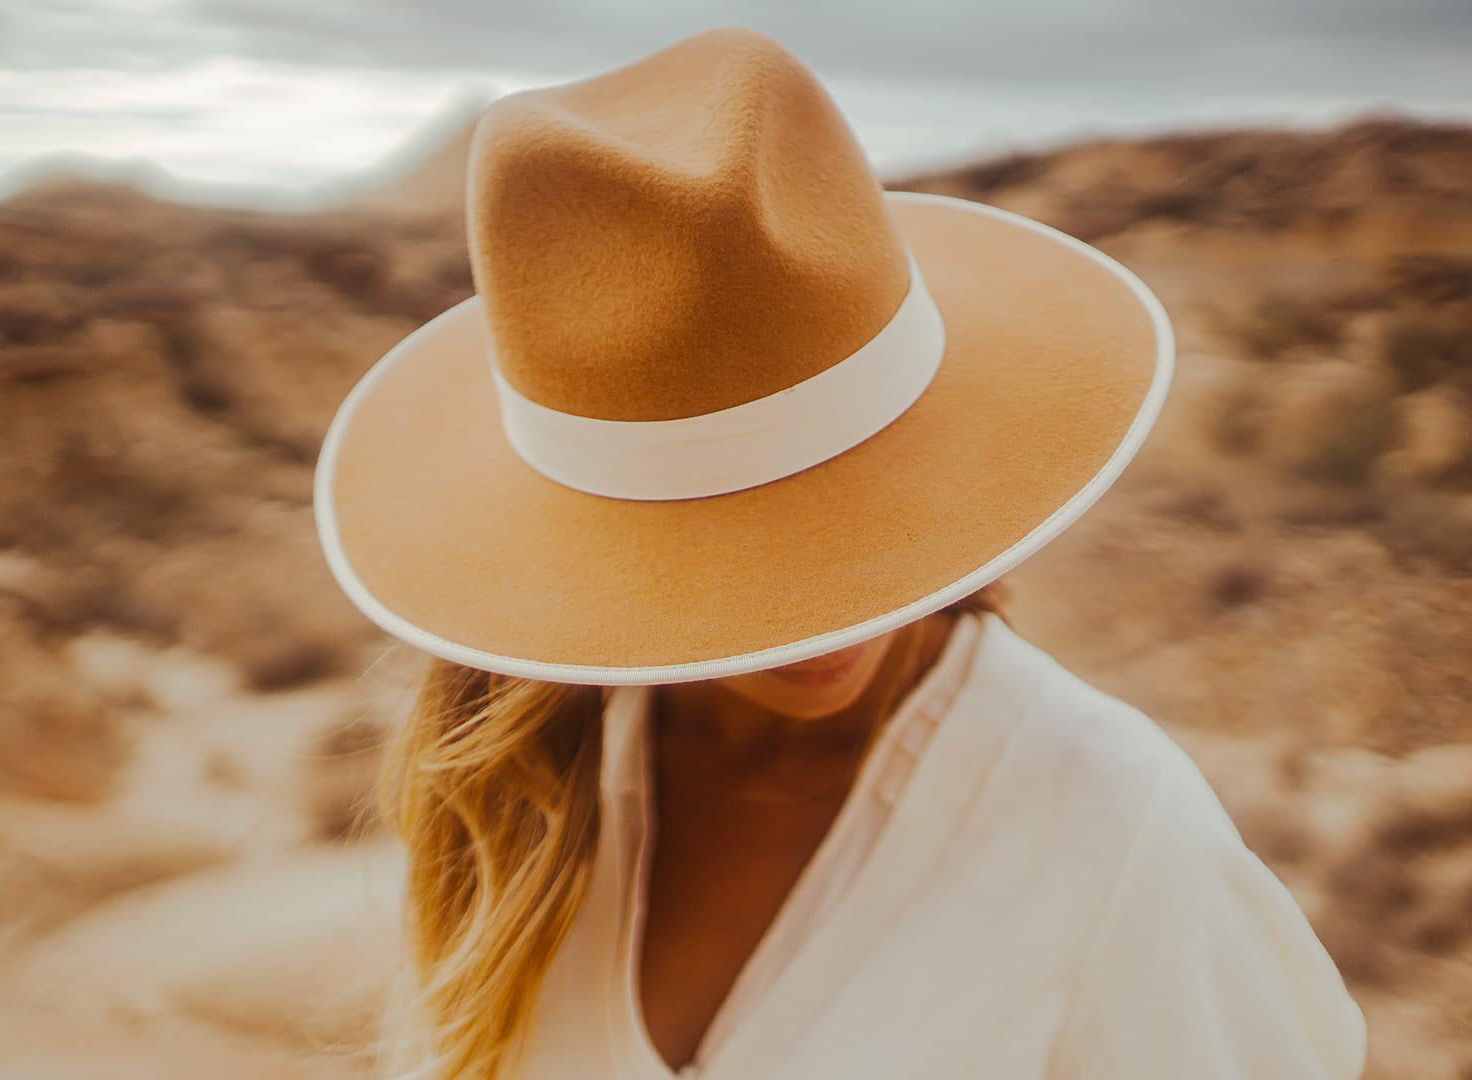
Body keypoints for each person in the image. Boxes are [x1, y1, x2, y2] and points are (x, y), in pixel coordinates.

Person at [311, 24, 1367, 1080]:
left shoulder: (1113, 826)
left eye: (842, 525)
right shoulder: (515, 788)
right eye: (726, 554)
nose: (833, 620)